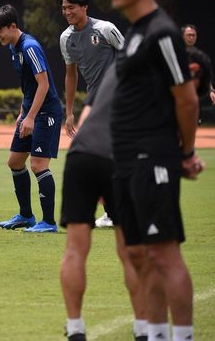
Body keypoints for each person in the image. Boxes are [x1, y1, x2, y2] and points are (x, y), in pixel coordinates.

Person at [97, 0, 204, 341]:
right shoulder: (133, 33)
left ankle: (184, 335)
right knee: (136, 254)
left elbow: (187, 98)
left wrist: (186, 152)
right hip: (124, 159)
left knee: (163, 253)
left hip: (152, 155)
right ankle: (155, 334)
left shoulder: (161, 32)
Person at [59, 64, 148, 341]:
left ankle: (75, 328)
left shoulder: (115, 69)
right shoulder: (158, 73)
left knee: (75, 249)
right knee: (130, 251)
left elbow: (86, 117)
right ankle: (143, 329)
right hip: (119, 157)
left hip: (81, 155)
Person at [0, 4, 63, 233]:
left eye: (0, 30)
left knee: (38, 164)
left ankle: (48, 222)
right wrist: (23, 113)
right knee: (15, 162)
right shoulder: (15, 47)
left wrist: (30, 117)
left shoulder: (30, 47)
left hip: (46, 113)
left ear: (13, 26)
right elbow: (29, 86)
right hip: (30, 112)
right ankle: (26, 215)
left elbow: (44, 84)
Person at [59, 0, 124, 228]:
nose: (67, 12)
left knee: (102, 154)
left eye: (71, 7)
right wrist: (69, 111)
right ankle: (112, 211)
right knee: (98, 155)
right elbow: (71, 74)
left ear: (85, 7)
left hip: (117, 101)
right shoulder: (66, 38)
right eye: (64, 8)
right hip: (93, 104)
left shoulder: (105, 29)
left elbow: (129, 58)